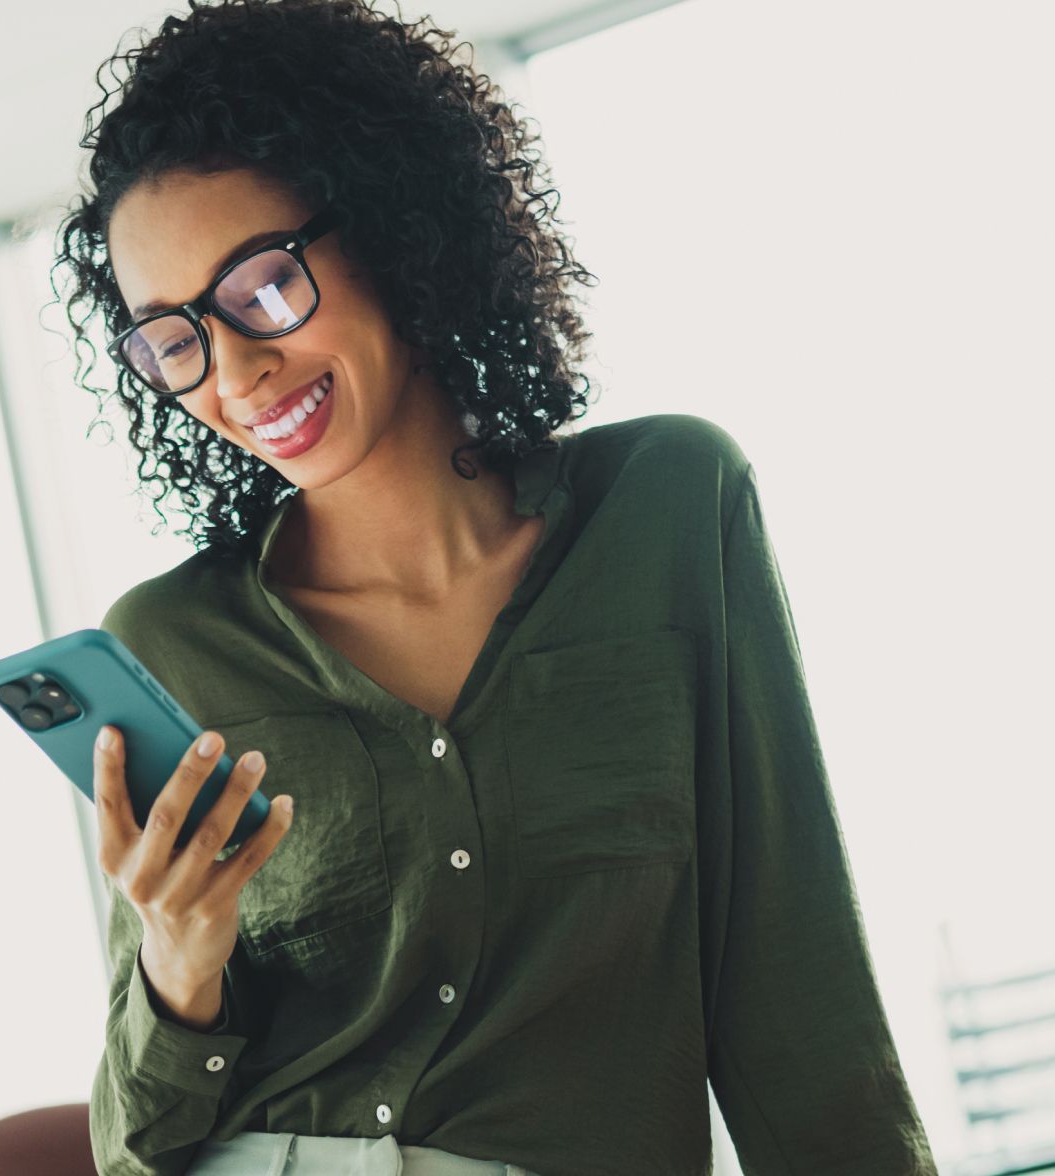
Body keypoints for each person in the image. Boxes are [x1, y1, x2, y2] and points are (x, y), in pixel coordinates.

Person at [50, 1, 940, 1173]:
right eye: (173, 339)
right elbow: (132, 1151)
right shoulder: (172, 642)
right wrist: (178, 959)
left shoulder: (667, 505)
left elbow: (796, 994)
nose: (235, 370)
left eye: (260, 288)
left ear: (389, 225)